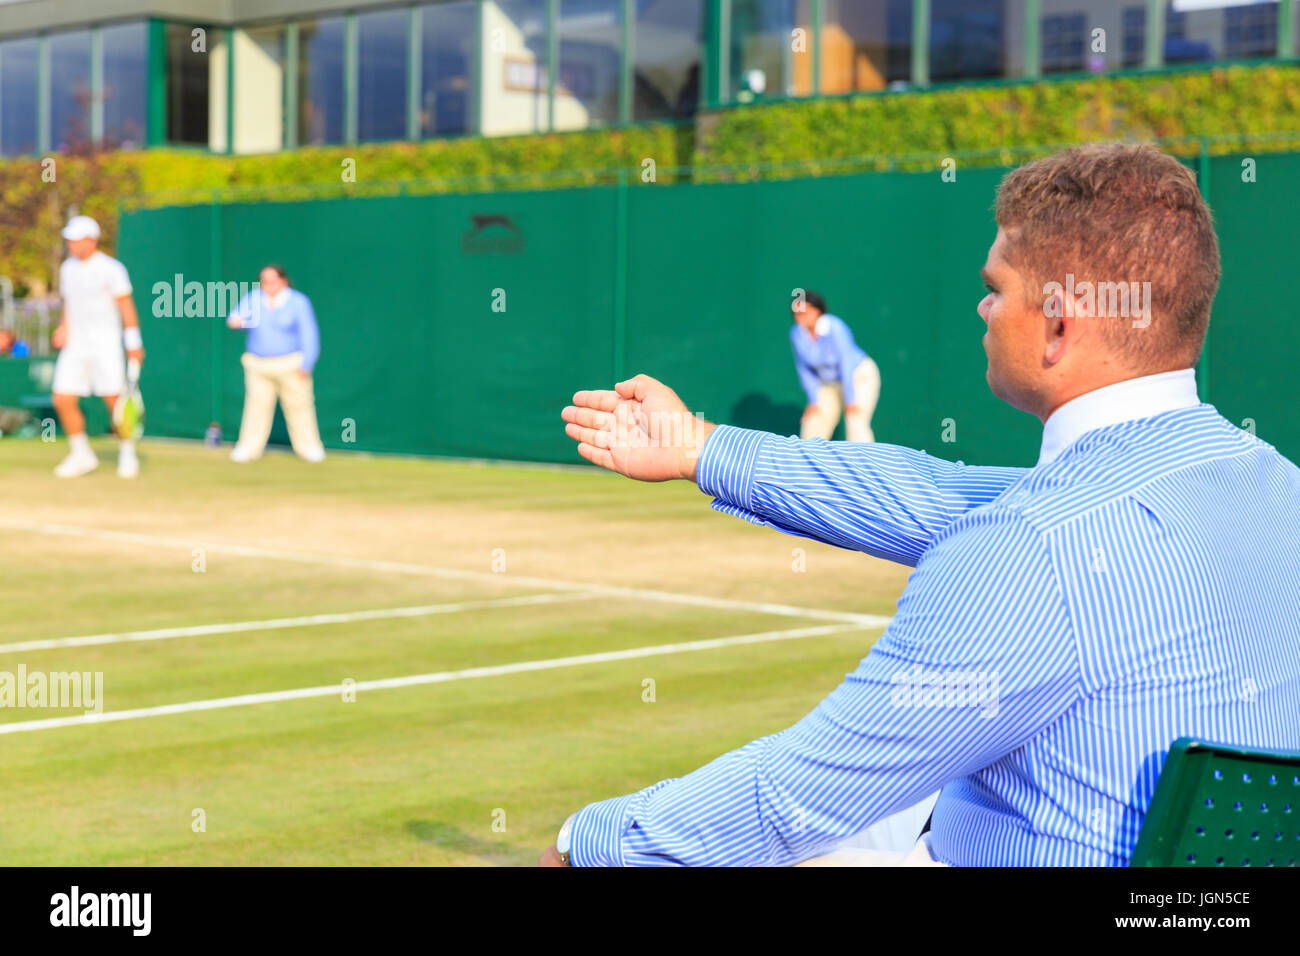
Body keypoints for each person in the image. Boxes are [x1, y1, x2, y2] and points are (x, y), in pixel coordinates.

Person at [552, 143, 1300, 866]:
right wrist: (698, 447)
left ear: (1060, 323)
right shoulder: (1274, 484)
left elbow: (793, 797)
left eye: (996, 287)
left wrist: (585, 845)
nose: (983, 307)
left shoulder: (1031, 548)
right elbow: (932, 494)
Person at [50, 215, 144, 478]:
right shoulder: (67, 269)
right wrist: (63, 328)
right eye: (69, 239)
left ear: (91, 240)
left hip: (106, 345)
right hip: (75, 346)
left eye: (75, 239)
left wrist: (134, 343)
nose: (70, 244)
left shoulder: (112, 269)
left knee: (115, 402)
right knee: (62, 399)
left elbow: (126, 306)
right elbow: (69, 304)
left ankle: (127, 453)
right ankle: (81, 455)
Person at [225, 264, 325, 463]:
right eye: (264, 280)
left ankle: (310, 449)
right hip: (258, 366)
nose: (268, 284)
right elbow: (234, 319)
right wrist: (238, 322)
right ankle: (248, 449)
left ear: (283, 281)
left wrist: (307, 364)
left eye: (272, 280)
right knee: (256, 409)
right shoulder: (254, 299)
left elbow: (309, 334)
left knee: (300, 407)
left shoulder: (298, 302)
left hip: (291, 365)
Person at [790, 291, 880, 442]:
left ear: (817, 310)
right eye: (796, 312)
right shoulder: (796, 334)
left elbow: (846, 363)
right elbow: (804, 370)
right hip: (828, 383)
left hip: (858, 377)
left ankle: (864, 458)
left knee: (855, 420)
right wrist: (813, 401)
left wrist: (850, 400)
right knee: (813, 421)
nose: (799, 316)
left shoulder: (835, 327)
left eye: (804, 311)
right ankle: (808, 457)